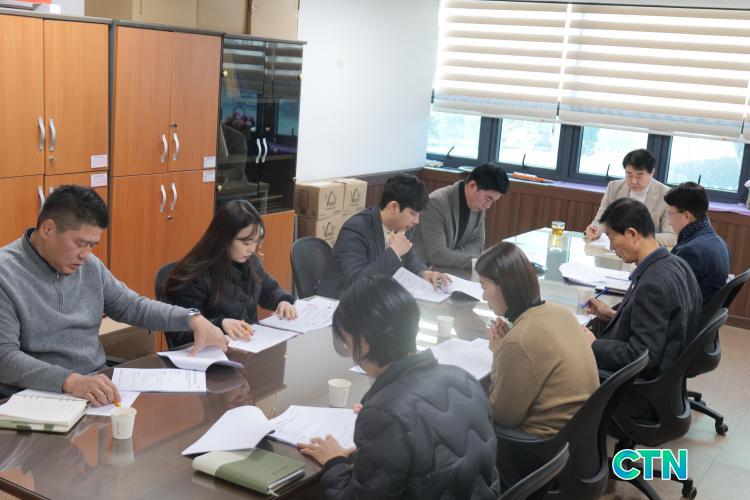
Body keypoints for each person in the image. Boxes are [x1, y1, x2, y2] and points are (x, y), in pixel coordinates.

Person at [0, 186, 226, 406]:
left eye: (92, 245)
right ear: (48, 229)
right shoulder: (6, 274)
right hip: (34, 398)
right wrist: (70, 381)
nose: (85, 255)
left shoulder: (89, 266)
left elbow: (133, 307)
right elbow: (4, 357)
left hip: (94, 385)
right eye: (80, 243)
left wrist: (191, 319)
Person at [299, 276, 500, 499]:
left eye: (347, 341)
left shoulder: (384, 415)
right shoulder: (464, 378)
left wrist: (335, 462)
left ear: (364, 342)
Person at [476, 242, 599, 438]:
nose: (483, 296)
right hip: (578, 436)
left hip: (541, 445)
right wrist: (506, 350)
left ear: (504, 287)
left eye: (484, 286)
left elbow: (501, 416)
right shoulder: (561, 313)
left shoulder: (518, 341)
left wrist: (500, 354)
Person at [585, 198, 702, 381]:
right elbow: (659, 327)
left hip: (639, 385)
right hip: (669, 376)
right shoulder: (678, 263)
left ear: (632, 234)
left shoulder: (652, 284)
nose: (611, 246)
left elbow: (641, 355)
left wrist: (592, 346)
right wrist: (611, 314)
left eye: (612, 237)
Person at [160, 200, 297, 348]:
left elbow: (268, 288)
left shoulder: (249, 261)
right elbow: (181, 334)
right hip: (210, 354)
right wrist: (221, 324)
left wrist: (283, 301)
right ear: (224, 238)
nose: (252, 249)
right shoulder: (195, 275)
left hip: (246, 347)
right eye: (246, 243)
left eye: (256, 242)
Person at [316, 173, 449, 299]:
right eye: (413, 213)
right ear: (393, 207)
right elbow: (356, 283)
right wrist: (394, 252)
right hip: (340, 302)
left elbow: (409, 258)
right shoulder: (356, 229)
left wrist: (423, 273)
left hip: (374, 298)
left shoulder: (402, 226)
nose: (417, 221)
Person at [412, 163, 509, 269]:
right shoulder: (435, 203)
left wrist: (449, 256)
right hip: (422, 270)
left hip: (451, 270)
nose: (488, 206)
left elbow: (478, 245)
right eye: (488, 199)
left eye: (492, 201)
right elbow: (438, 255)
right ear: (472, 186)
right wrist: (477, 262)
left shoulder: (478, 205)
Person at [585, 149, 676, 247]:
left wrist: (638, 237)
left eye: (639, 176)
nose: (634, 181)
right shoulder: (614, 187)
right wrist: (595, 229)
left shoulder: (666, 194)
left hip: (646, 250)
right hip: (615, 248)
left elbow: (671, 237)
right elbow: (601, 220)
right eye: (629, 174)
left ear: (652, 172)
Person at [664, 182, 730, 307]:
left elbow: (668, 295)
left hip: (686, 316)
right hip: (702, 312)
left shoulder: (691, 251)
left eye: (670, 214)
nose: (669, 221)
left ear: (686, 216)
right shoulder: (719, 242)